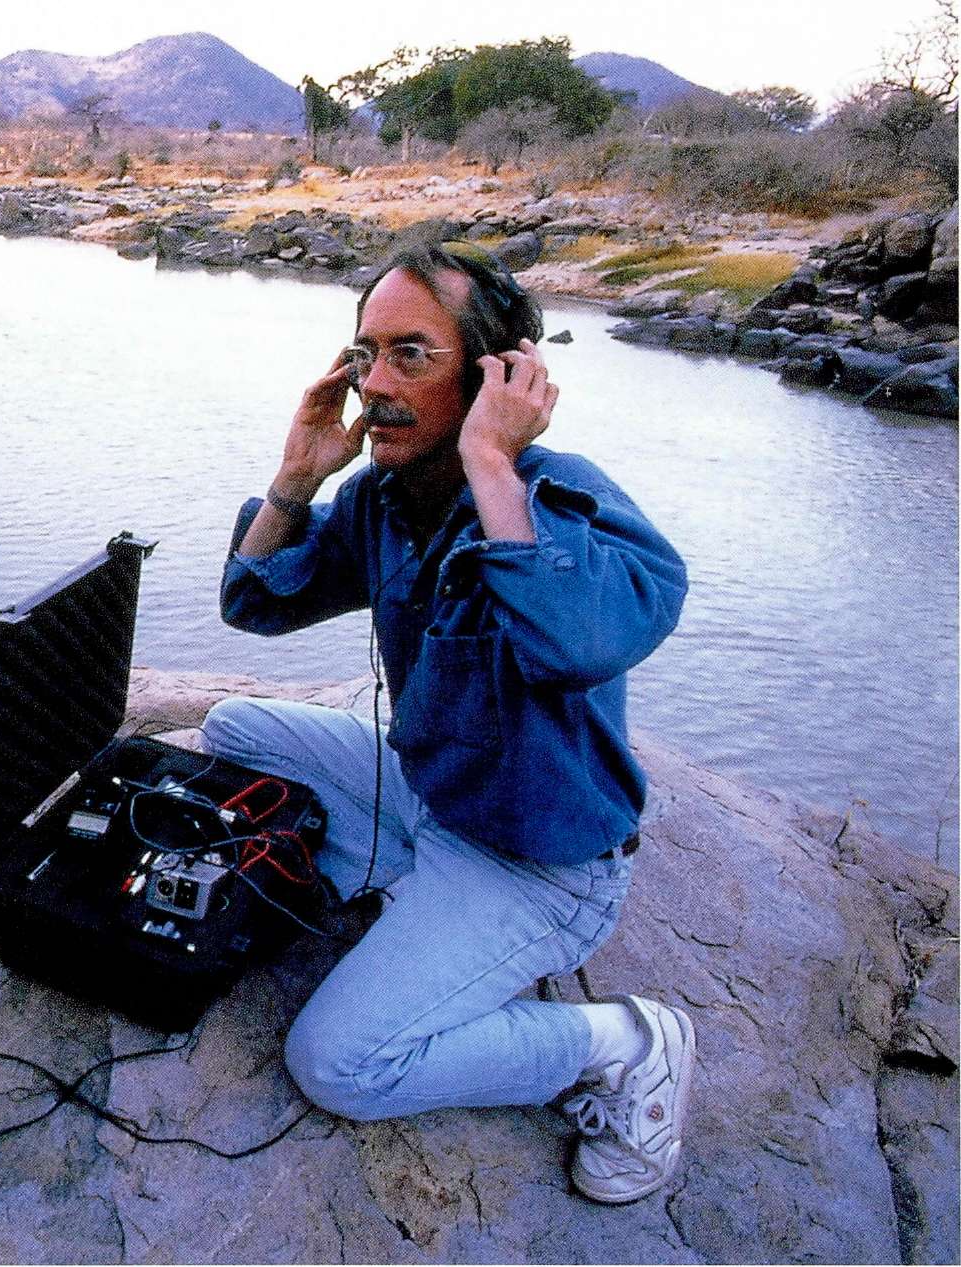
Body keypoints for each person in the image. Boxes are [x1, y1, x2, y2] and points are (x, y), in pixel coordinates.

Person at [202, 244, 692, 1205]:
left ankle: (623, 1043)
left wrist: (490, 461)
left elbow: (575, 643)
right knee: (230, 727)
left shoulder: (566, 499)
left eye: (410, 356)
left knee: (339, 1064)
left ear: (496, 372)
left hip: (533, 863)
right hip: (427, 796)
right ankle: (408, 887)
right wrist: (296, 476)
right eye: (362, 353)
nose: (374, 385)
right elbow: (252, 606)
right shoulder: (382, 499)